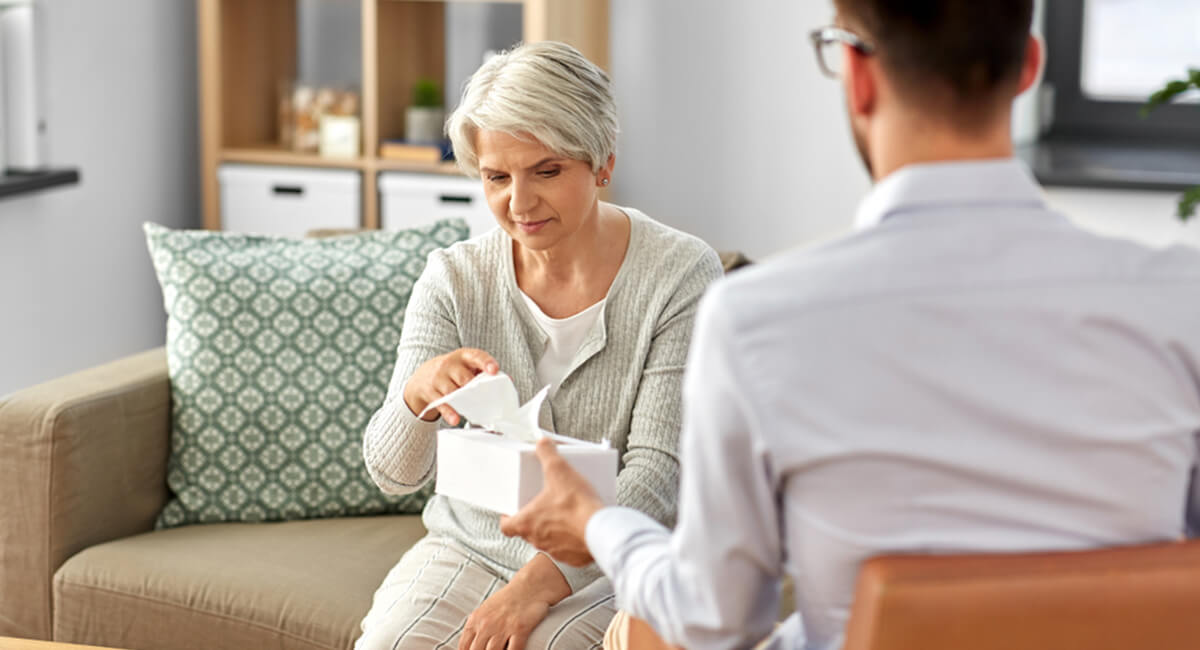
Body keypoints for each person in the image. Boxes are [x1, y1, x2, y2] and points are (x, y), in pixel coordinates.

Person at [500, 2, 1200, 649]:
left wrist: (597, 521)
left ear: (859, 77)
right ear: (1030, 68)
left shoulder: (757, 321)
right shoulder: (1180, 299)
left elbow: (712, 619)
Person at [355, 41, 723, 650]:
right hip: (468, 548)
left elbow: (657, 480)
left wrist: (532, 590)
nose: (518, 204)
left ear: (602, 161)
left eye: (545, 171)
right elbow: (392, 475)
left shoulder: (680, 275)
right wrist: (416, 395)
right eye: (497, 177)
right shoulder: (454, 278)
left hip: (616, 555)